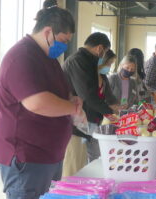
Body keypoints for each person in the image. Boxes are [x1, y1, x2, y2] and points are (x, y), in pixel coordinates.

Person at [0, 1, 84, 198]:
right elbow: (37, 103)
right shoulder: (22, 56)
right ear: (48, 32)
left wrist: (72, 100)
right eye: (63, 40)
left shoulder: (47, 58)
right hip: (26, 156)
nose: (65, 46)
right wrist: (71, 108)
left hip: (47, 154)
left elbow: (57, 92)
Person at [63, 32, 121, 163]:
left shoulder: (88, 62)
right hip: (75, 124)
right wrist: (110, 112)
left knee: (88, 161)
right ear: (100, 48)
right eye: (105, 52)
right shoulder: (78, 61)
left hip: (87, 121)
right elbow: (88, 95)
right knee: (74, 166)